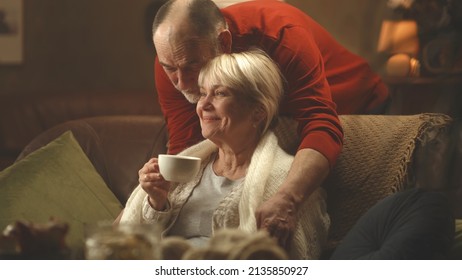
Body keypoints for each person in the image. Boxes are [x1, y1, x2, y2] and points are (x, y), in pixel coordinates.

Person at [149, 0, 389, 246]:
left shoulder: (282, 34)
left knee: (310, 203)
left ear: (224, 42)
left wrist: (288, 199)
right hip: (273, 118)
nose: (181, 82)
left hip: (354, 98)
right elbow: (186, 143)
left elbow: (320, 122)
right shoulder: (175, 58)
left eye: (192, 66)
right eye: (170, 68)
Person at [119, 49, 331, 259]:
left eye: (220, 93)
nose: (203, 105)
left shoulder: (287, 183)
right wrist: (158, 201)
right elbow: (140, 246)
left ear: (258, 111)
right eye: (202, 93)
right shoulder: (189, 168)